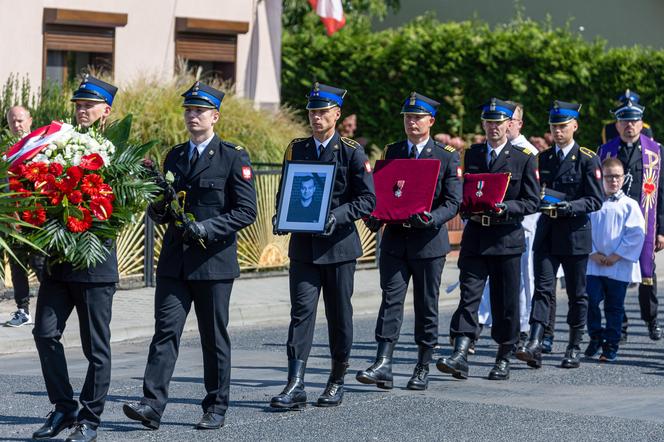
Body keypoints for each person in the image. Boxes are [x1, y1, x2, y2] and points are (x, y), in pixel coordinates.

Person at [123, 81, 257, 431]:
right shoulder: (175, 156)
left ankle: (216, 406)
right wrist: (158, 204)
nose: (192, 116)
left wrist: (208, 228)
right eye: (188, 110)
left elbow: (246, 212)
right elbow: (164, 211)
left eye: (199, 111)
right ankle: (152, 405)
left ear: (215, 116)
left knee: (213, 337)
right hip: (174, 261)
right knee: (165, 332)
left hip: (212, 263)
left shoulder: (232, 156)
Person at [270, 82, 375, 409]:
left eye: (323, 112)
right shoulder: (296, 148)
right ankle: (296, 383)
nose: (317, 117)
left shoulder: (351, 150)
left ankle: (336, 378)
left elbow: (367, 199)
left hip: (339, 247)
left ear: (336, 114)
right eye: (313, 112)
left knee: (339, 315)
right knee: (300, 314)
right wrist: (281, 216)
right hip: (303, 248)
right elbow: (286, 188)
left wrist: (337, 216)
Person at [31, 75, 118, 442]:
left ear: (105, 111)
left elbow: (119, 209)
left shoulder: (117, 152)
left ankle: (91, 418)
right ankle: (64, 407)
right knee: (45, 332)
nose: (82, 110)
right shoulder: (57, 144)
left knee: (95, 347)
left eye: (89, 105)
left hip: (95, 266)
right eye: (78, 105)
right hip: (59, 263)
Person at [356, 92, 461, 390]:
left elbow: (453, 201)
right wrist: (374, 214)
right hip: (395, 240)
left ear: (431, 121)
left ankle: (422, 365)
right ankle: (383, 362)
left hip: (428, 242)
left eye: (417, 117)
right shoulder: (393, 152)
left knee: (426, 304)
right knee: (390, 300)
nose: (412, 122)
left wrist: (433, 218)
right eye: (407, 117)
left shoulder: (446, 155)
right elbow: (384, 194)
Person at [437, 98, 539, 381]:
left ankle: (504, 355)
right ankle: (460, 351)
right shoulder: (474, 154)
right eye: (489, 122)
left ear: (510, 124)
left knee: (505, 301)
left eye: (499, 122)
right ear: (483, 124)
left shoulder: (524, 157)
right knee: (469, 296)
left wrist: (508, 207)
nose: (494, 127)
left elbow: (532, 202)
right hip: (477, 236)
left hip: (506, 238)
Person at [516, 101, 604, 370]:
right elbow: (533, 194)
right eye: (554, 126)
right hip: (547, 233)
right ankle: (535, 341)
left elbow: (595, 200)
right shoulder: (543, 158)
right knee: (542, 290)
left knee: (577, 294)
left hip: (575, 234)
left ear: (575, 126)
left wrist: (570, 206)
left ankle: (574, 345)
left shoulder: (588, 158)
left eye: (563, 126)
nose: (557, 131)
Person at [597, 95, 664, 342]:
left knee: (647, 273)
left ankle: (651, 320)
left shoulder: (656, 152)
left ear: (641, 122)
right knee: (615, 275)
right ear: (617, 125)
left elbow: (663, 192)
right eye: (624, 121)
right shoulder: (606, 151)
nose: (629, 125)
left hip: (645, 222)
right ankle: (619, 325)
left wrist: (662, 230)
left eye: (634, 121)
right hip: (613, 223)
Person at [477, 102, 540, 347]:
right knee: (486, 283)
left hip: (521, 228)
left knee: (522, 282)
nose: (504, 124)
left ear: (517, 123)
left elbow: (531, 197)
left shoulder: (527, 153)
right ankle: (480, 324)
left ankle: (522, 327)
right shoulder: (483, 151)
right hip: (488, 229)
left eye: (508, 119)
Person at [585, 158, 645, 361]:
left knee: (614, 306)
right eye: (609, 176)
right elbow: (584, 230)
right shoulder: (593, 202)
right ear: (602, 177)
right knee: (589, 301)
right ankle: (595, 336)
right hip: (593, 264)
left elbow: (635, 235)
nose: (613, 180)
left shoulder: (630, 205)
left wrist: (615, 256)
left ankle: (611, 345)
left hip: (618, 265)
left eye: (617, 176)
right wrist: (592, 252)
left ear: (623, 178)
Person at [3, 106, 45, 328]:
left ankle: (51, 306)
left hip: (37, 218)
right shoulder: (8, 152)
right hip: (14, 220)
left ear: (30, 120)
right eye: (12, 122)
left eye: (20, 120)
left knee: (40, 264)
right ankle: (23, 310)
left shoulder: (40, 147)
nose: (17, 125)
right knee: (17, 264)